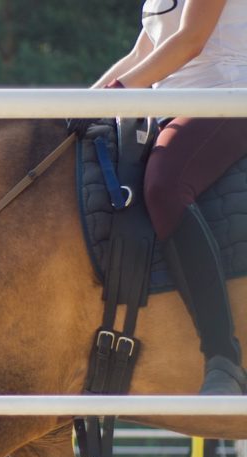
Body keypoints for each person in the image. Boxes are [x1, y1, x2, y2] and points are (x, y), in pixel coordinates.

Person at [91, 0, 247, 394]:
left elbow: (189, 41)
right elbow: (141, 53)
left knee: (164, 187)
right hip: (171, 109)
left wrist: (114, 94)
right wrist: (79, 105)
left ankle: (222, 356)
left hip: (226, 97)